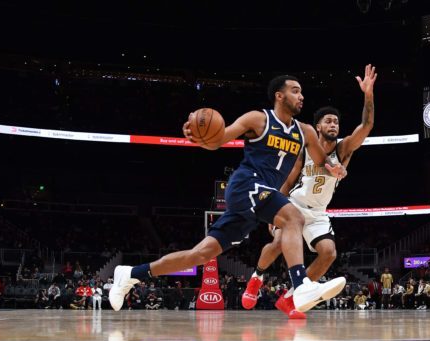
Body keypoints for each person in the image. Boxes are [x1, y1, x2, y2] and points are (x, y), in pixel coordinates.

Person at [107, 74, 347, 315]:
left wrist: (333, 167)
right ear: (279, 95)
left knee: (200, 255)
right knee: (294, 217)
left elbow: (320, 159)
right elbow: (219, 139)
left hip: (258, 198)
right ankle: (301, 285)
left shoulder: (304, 131)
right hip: (246, 184)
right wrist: (198, 136)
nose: (301, 96)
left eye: (301, 91)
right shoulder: (258, 119)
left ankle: (129, 274)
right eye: (295, 91)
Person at [241, 65, 377, 318]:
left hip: (319, 212)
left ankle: (291, 299)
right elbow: (287, 179)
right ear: (317, 126)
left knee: (329, 253)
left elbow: (367, 125)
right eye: (328, 121)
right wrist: (274, 205)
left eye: (336, 121)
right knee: (279, 242)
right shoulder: (305, 149)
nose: (333, 124)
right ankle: (256, 277)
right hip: (294, 205)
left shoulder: (344, 149)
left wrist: (368, 93)